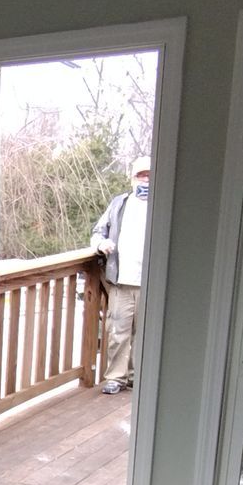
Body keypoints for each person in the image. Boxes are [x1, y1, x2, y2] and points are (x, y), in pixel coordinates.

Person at [90, 156, 152, 394]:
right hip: (121, 281)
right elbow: (98, 232)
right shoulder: (120, 204)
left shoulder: (164, 203)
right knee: (117, 332)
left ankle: (139, 377)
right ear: (132, 178)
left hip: (152, 283)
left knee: (145, 333)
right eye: (141, 175)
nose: (145, 179)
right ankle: (116, 378)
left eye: (149, 175)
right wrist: (101, 244)